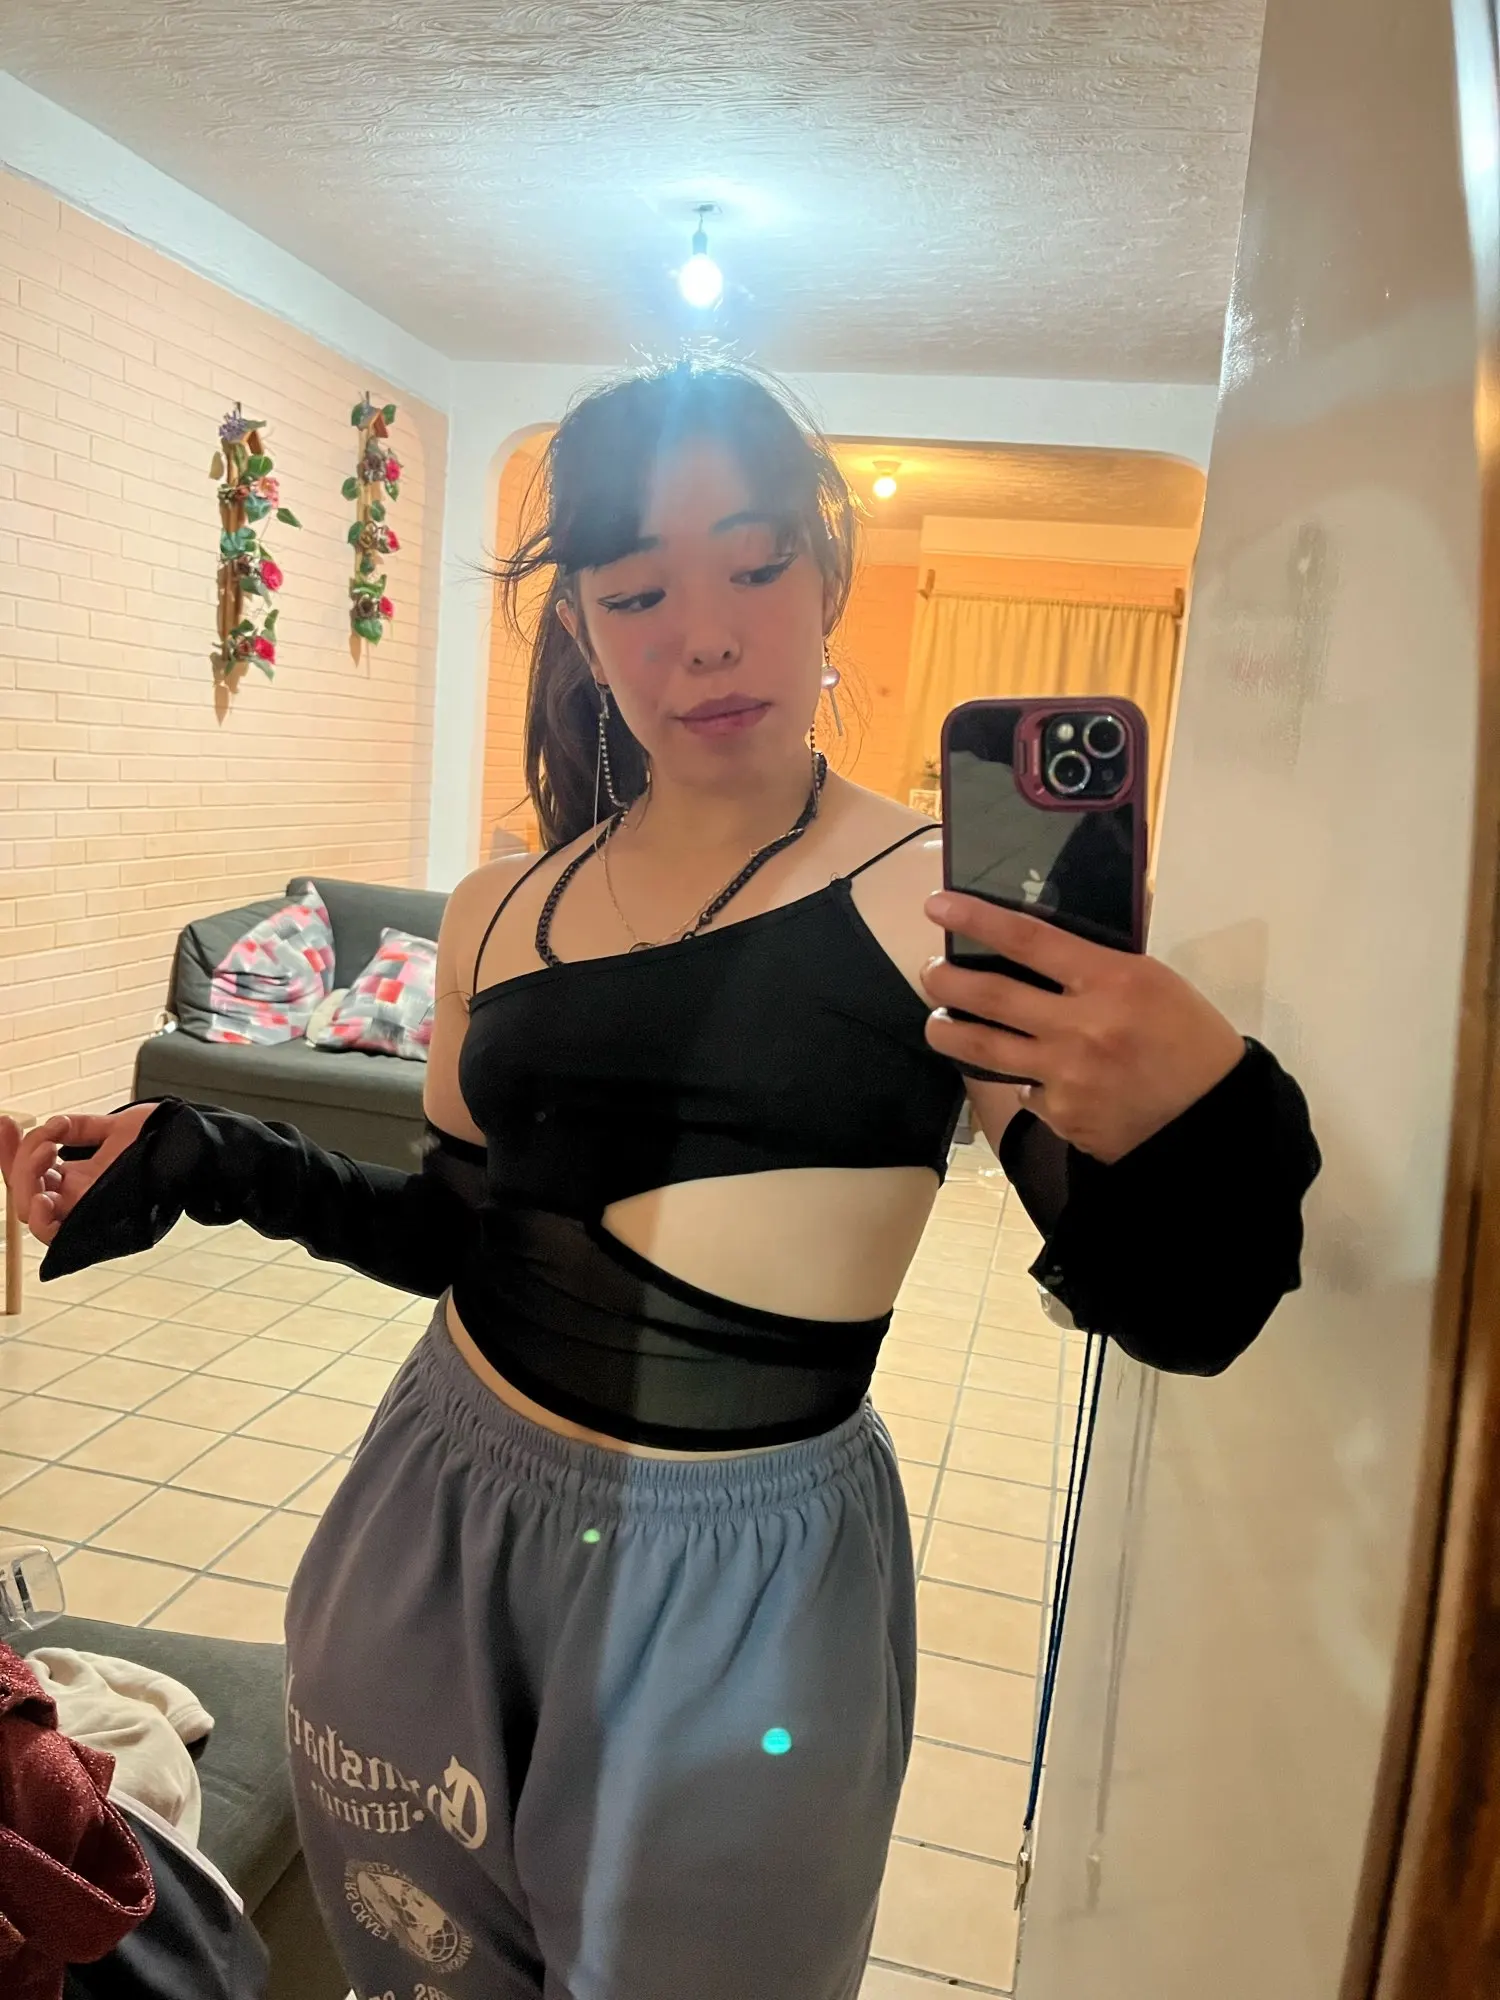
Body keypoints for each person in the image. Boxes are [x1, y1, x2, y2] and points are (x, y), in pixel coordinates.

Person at [1, 357, 1319, 2000]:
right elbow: (456, 1231)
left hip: (744, 1592)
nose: (706, 636)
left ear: (827, 578)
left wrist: (1205, 1105)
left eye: (757, 566)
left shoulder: (942, 905)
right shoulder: (500, 908)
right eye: (637, 593)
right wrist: (213, 1156)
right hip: (433, 1512)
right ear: (582, 625)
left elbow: (1186, 1309)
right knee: (418, 1961)